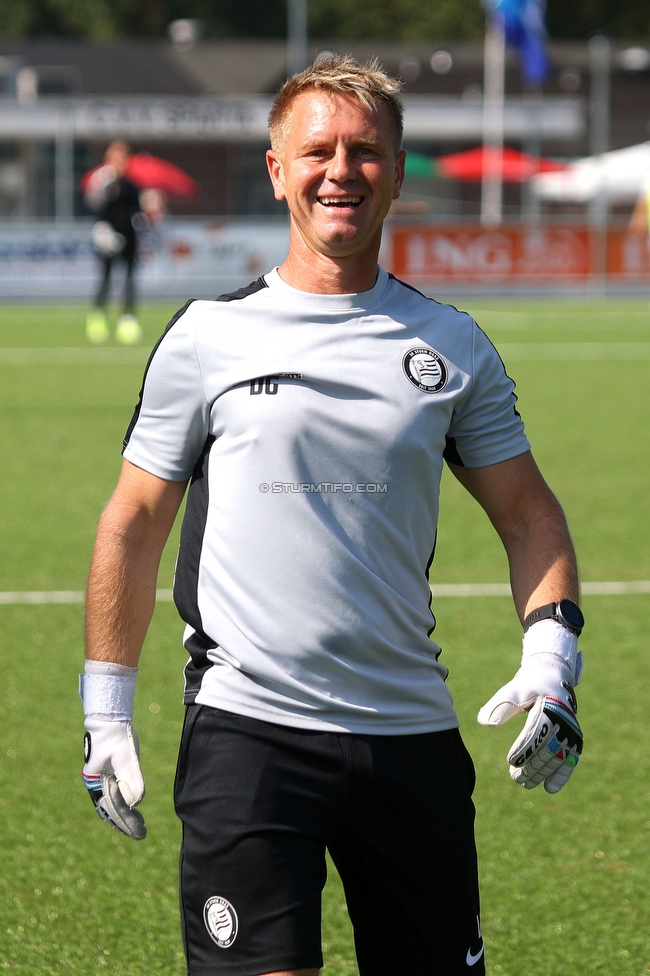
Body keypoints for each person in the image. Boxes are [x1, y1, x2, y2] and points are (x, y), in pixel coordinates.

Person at [79, 56, 584, 976]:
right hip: (248, 736)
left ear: (395, 171)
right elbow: (134, 523)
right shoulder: (205, 337)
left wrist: (554, 658)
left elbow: (528, 514)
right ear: (278, 170)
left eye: (365, 151)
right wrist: (104, 706)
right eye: (317, 151)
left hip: (412, 735)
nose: (340, 171)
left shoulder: (451, 343)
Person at [84, 140, 144, 345]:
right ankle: (98, 317)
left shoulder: (131, 187)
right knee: (106, 278)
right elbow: (95, 210)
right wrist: (103, 233)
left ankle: (128, 319)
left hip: (128, 240)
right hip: (107, 241)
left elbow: (138, 213)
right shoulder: (102, 184)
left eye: (123, 159)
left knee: (129, 280)